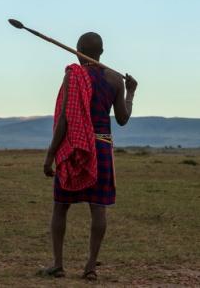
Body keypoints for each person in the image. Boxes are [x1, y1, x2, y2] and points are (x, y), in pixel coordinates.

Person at [39, 32, 138, 281]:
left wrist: (50, 156)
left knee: (61, 206)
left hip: (75, 147)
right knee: (99, 208)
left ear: (77, 50)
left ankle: (58, 265)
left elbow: (65, 118)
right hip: (102, 147)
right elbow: (123, 119)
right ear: (101, 52)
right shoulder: (115, 79)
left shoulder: (73, 75)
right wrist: (131, 92)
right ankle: (90, 268)